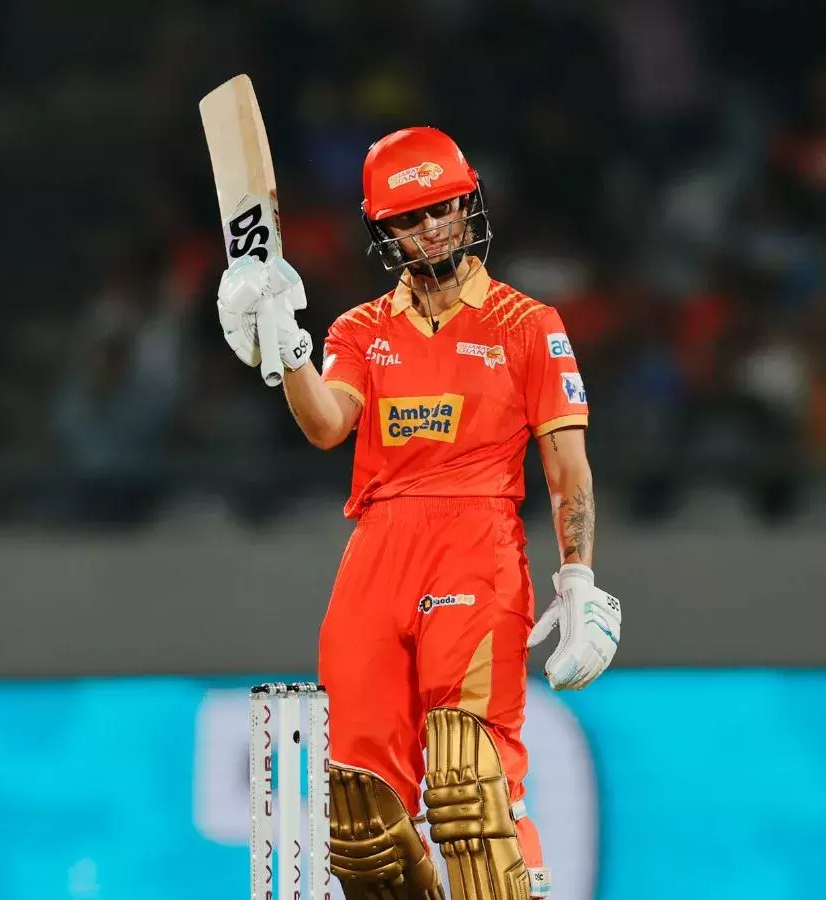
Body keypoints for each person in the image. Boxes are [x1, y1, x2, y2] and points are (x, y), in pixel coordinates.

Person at [216, 126, 623, 900]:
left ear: (468, 205)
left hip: (476, 545)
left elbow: (567, 465)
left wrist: (579, 580)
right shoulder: (359, 330)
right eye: (410, 217)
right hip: (377, 551)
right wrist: (285, 345)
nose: (431, 227)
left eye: (443, 208)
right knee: (362, 815)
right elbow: (326, 425)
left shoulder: (527, 324)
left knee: (472, 784)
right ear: (384, 231)